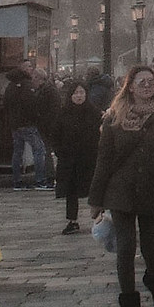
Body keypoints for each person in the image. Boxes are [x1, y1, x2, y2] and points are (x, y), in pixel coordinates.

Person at [87, 66, 154, 307]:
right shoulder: (114, 118)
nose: (147, 86)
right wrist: (95, 199)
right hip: (121, 191)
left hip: (153, 190)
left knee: (152, 249)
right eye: (141, 82)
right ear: (129, 86)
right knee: (126, 248)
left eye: (151, 82)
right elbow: (104, 161)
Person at [52, 80, 103, 234]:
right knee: (71, 191)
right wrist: (60, 151)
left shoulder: (94, 113)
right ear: (70, 95)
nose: (79, 96)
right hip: (69, 159)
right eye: (76, 93)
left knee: (95, 189)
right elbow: (56, 135)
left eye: (82, 92)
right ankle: (72, 220)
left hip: (89, 158)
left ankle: (99, 218)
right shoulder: (63, 113)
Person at [2, 65, 50, 191]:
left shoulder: (10, 86)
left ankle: (17, 181)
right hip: (27, 124)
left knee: (17, 152)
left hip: (15, 125)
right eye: (29, 68)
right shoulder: (27, 86)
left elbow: (5, 105)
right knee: (39, 150)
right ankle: (40, 180)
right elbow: (31, 105)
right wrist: (36, 118)